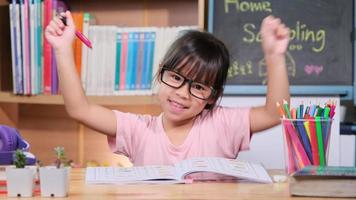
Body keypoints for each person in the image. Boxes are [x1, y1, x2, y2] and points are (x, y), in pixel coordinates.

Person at [45, 11, 290, 167]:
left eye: (198, 86)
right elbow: (80, 109)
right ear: (161, 71)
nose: (182, 93)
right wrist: (62, 48)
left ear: (211, 96)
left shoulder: (222, 124)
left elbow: (275, 113)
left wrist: (274, 56)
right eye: (175, 77)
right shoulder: (137, 129)